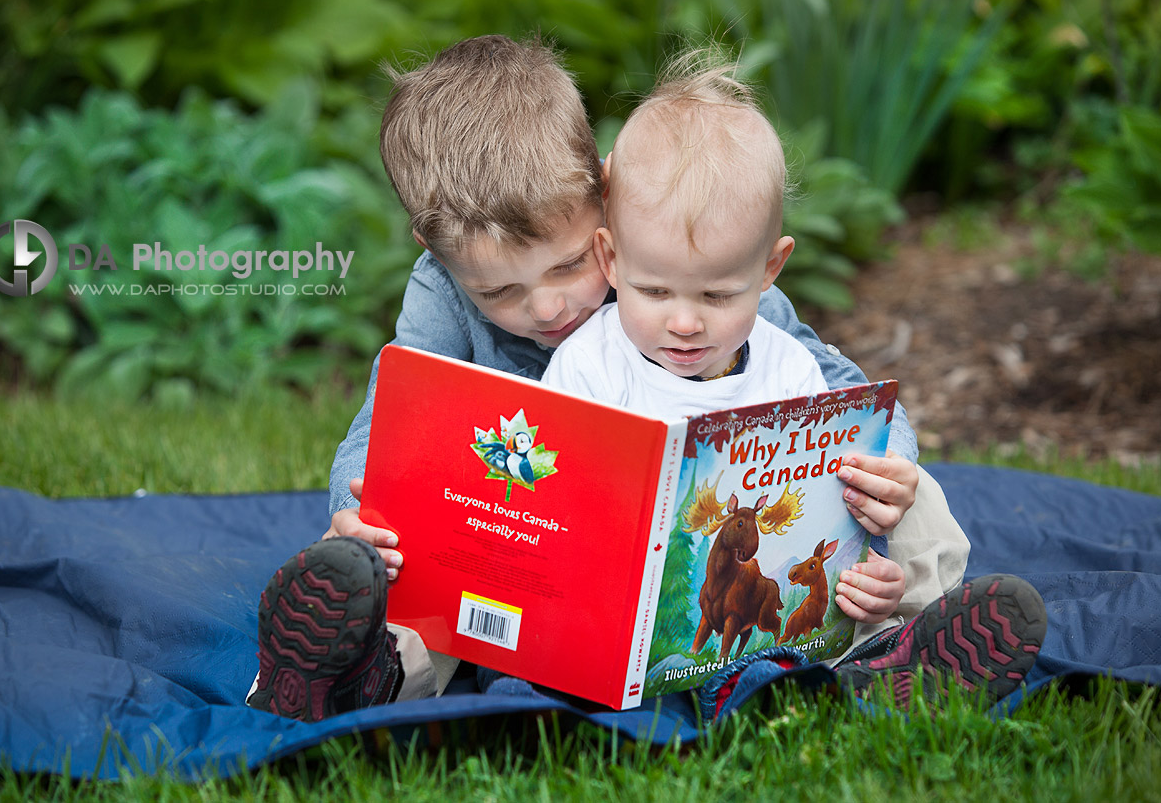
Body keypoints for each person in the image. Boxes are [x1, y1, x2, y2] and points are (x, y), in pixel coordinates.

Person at [245, 36, 1003, 722]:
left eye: (572, 263)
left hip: (685, 530)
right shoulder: (442, 291)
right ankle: (361, 672)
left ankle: (898, 648)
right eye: (498, 293)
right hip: (519, 545)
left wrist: (887, 464)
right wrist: (361, 509)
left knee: (908, 491)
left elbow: (833, 378)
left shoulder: (687, 262)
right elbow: (387, 428)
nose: (547, 308)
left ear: (602, 193)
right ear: (439, 255)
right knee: (409, 543)